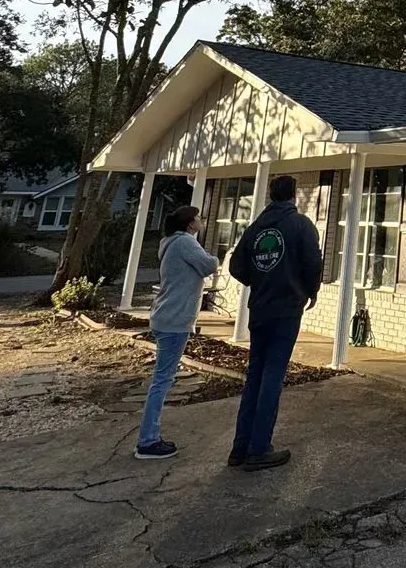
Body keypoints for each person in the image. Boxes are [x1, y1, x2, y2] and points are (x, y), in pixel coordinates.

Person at [225, 173, 322, 469]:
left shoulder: (255, 229)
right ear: (294, 195)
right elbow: (313, 263)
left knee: (255, 375)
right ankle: (259, 449)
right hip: (286, 310)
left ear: (271, 195)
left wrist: (260, 280)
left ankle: (239, 448)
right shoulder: (301, 225)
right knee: (272, 377)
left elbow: (236, 265)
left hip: (260, 309)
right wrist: (309, 291)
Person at [134, 204, 218, 460]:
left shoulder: (171, 242)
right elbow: (207, 266)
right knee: (162, 380)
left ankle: (149, 438)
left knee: (162, 378)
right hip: (175, 319)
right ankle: (148, 441)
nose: (202, 221)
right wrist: (217, 258)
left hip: (165, 316)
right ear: (190, 223)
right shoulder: (185, 243)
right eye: (199, 218)